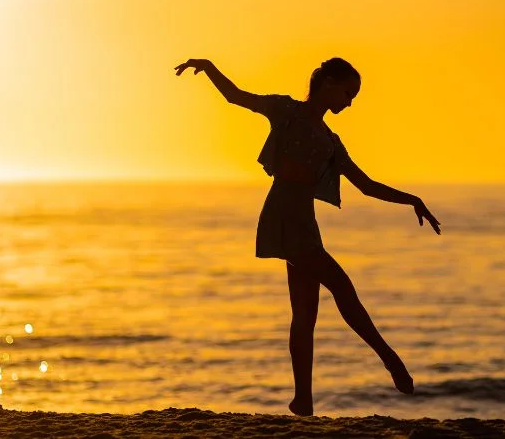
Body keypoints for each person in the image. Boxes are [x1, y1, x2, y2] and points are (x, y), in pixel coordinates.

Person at [174, 57, 442, 416]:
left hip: (305, 220)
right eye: (348, 93)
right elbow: (236, 97)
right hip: (284, 213)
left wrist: (413, 200)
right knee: (342, 286)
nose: (349, 102)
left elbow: (365, 185)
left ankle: (303, 401)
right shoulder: (286, 110)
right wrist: (208, 67)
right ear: (328, 82)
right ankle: (390, 359)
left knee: (305, 315)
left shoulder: (331, 141)